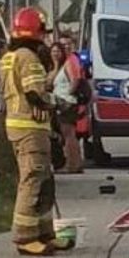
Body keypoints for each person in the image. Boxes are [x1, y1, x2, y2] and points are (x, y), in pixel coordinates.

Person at [1, 8, 71, 257]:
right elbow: (34, 94)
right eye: (42, 32)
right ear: (36, 32)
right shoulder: (28, 57)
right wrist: (57, 103)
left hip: (21, 126)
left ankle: (44, 233)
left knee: (44, 181)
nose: (44, 38)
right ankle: (25, 237)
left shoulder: (10, 56)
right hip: (29, 127)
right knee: (33, 179)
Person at [49, 41, 83, 174]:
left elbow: (75, 80)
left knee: (69, 135)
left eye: (58, 51)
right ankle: (76, 163)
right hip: (61, 103)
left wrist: (68, 94)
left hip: (66, 104)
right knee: (68, 135)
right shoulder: (58, 66)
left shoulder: (69, 62)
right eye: (53, 51)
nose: (55, 54)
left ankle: (72, 165)